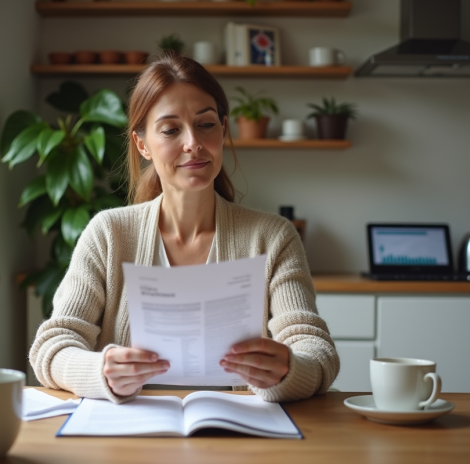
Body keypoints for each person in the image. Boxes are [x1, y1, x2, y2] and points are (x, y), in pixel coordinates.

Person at [29, 53, 339, 404]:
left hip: (240, 437)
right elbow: (52, 348)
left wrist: (289, 370)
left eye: (206, 124)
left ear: (223, 129)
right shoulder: (108, 234)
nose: (193, 142)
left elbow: (317, 350)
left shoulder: (273, 237)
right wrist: (100, 370)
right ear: (142, 144)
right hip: (129, 438)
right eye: (171, 129)